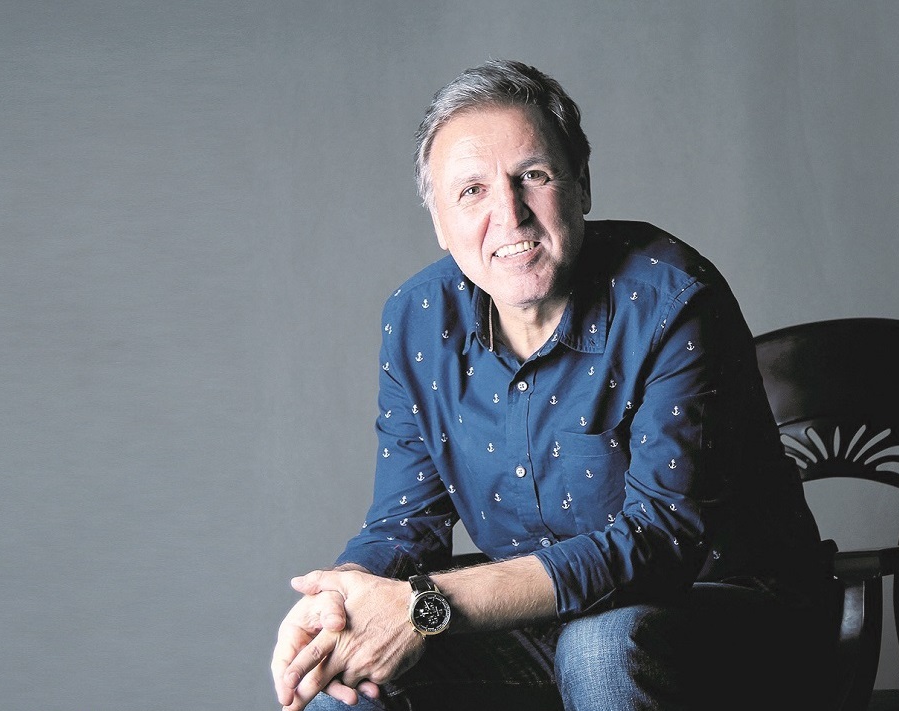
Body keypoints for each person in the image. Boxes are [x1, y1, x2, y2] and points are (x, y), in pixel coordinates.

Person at [271, 59, 835, 711]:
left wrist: (426, 604)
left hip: (735, 616)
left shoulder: (672, 300)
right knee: (340, 673)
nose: (509, 214)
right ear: (440, 224)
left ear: (581, 186)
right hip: (543, 624)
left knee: (601, 646)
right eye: (471, 191)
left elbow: (658, 542)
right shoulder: (418, 318)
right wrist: (338, 598)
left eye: (532, 176)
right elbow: (405, 525)